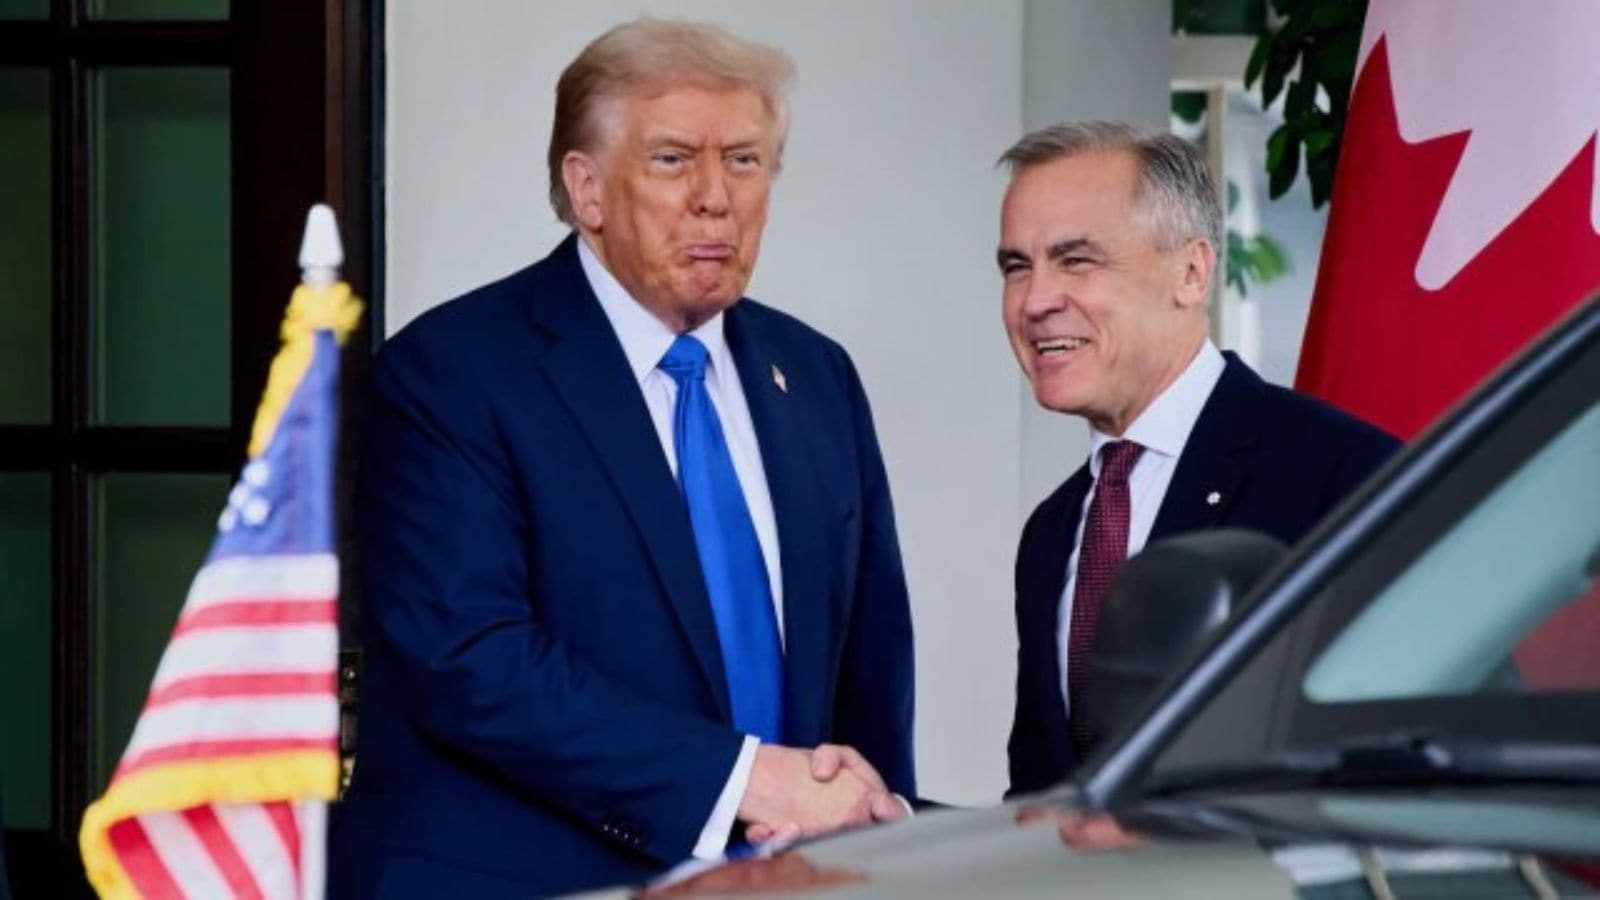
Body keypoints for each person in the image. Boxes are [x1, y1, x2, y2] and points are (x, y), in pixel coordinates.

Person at [332, 18, 915, 898]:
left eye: (745, 161)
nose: (716, 198)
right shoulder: (451, 373)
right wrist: (743, 782)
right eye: (674, 160)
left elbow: (871, 665)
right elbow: (472, 659)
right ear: (588, 188)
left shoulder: (817, 376)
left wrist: (880, 842)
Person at [997, 122, 1398, 797]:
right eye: (1016, 267)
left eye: (1077, 260)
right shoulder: (1051, 533)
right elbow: (1046, 803)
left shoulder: (1346, 478)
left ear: (1191, 273)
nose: (1035, 301)